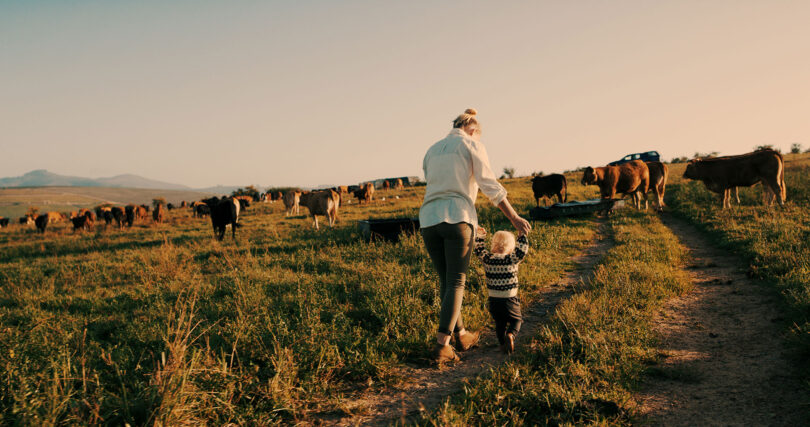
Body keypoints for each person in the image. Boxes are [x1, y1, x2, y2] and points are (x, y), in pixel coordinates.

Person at [419, 108, 532, 364]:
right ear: (473, 131)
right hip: (457, 216)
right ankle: (441, 347)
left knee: (446, 281)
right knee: (457, 281)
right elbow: (489, 185)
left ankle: (461, 334)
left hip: (428, 220)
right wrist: (514, 217)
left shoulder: (432, 149)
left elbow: (432, 181)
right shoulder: (471, 145)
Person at [473, 227, 528, 353]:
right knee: (516, 320)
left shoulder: (487, 259)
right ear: (511, 247)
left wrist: (480, 236)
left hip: (493, 299)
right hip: (510, 298)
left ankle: (503, 344)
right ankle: (511, 335)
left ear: (494, 245)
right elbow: (522, 251)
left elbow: (479, 250)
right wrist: (522, 236)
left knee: (500, 322)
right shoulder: (512, 259)